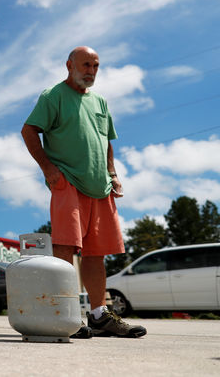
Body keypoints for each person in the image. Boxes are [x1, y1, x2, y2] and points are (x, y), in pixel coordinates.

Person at [21, 46, 146, 339]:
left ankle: (100, 315)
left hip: (100, 186)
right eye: (85, 64)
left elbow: (107, 141)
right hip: (69, 183)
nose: (90, 70)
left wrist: (112, 173)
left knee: (96, 252)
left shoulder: (100, 101)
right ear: (69, 65)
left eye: (95, 65)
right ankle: (67, 316)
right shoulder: (53, 96)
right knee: (66, 248)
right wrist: (49, 169)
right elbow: (29, 130)